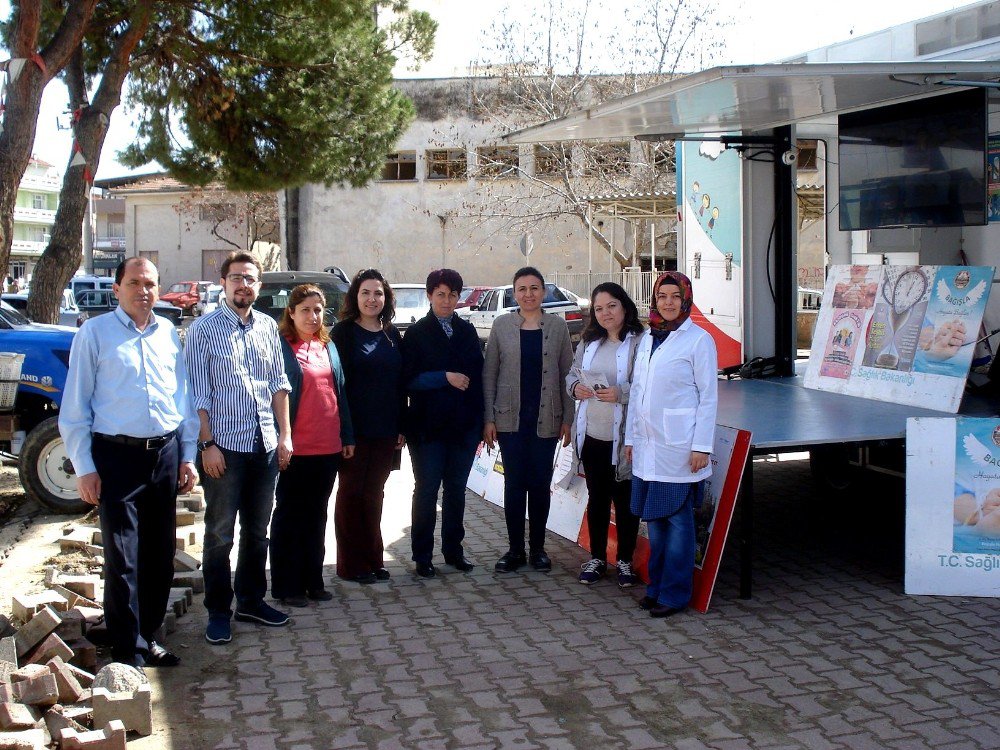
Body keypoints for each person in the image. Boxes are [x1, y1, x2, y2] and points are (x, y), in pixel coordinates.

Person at [59, 257, 198, 667]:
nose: (144, 291)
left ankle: (149, 636)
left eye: (151, 284)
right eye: (134, 283)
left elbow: (182, 400)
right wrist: (84, 466)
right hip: (116, 458)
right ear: (116, 289)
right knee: (123, 558)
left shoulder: (169, 333)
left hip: (165, 456)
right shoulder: (94, 334)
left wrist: (187, 456)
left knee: (158, 555)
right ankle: (127, 649)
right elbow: (75, 407)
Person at [185, 251, 293, 645]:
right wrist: (206, 443)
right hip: (224, 450)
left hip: (264, 445)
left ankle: (250, 600)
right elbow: (197, 393)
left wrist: (285, 436)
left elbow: (279, 385)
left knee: (257, 532)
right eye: (236, 278)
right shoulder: (203, 330)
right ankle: (217, 610)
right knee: (219, 534)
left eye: (250, 279)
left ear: (259, 286)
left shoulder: (267, 327)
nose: (243, 285)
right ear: (224, 283)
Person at [625, 271, 717, 618]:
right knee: (657, 522)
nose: (667, 302)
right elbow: (638, 393)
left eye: (674, 296)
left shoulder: (699, 340)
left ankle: (675, 595)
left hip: (681, 447)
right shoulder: (650, 337)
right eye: (662, 296)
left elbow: (708, 397)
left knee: (678, 522)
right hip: (649, 448)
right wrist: (632, 438)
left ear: (685, 299)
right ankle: (656, 588)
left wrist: (701, 446)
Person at [483, 266, 574, 573]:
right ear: (514, 293)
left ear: (544, 292)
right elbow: (489, 374)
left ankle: (537, 550)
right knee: (514, 485)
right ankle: (514, 550)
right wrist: (489, 418)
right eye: (522, 289)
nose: (528, 294)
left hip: (546, 419)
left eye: (534, 288)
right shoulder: (502, 325)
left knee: (538, 485)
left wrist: (568, 419)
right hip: (510, 421)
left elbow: (567, 375)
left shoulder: (557, 327)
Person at [270, 284, 355, 607]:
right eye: (305, 310)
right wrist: (280, 439)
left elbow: (340, 392)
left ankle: (313, 580)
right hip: (294, 449)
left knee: (317, 515)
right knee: (290, 516)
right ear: (291, 313)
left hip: (327, 447)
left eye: (317, 310)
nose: (312, 316)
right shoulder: (281, 347)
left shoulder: (327, 346)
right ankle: (287, 586)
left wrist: (346, 436)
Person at [402, 269, 484, 578]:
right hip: (427, 428)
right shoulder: (417, 333)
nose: (447, 300)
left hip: (463, 427)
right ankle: (422, 555)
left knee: (456, 491)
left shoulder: (466, 331)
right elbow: (408, 380)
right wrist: (444, 377)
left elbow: (479, 378)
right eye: (440, 294)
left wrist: (480, 422)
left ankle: (454, 550)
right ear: (429, 296)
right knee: (426, 490)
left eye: (452, 295)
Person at [331, 269, 405, 584]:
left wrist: (402, 424)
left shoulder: (391, 333)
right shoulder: (343, 333)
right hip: (353, 432)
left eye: (378, 293)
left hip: (386, 429)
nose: (372, 299)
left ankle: (374, 558)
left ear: (385, 298)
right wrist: (343, 431)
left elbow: (400, 383)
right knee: (351, 494)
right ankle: (351, 564)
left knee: (375, 494)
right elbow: (335, 386)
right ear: (355, 297)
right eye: (365, 293)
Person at [566, 282, 643, 588]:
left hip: (624, 440)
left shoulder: (641, 342)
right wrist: (576, 388)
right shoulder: (589, 343)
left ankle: (624, 561)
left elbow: (648, 385)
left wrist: (621, 393)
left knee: (625, 503)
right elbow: (572, 373)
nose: (606, 313)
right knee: (597, 499)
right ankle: (598, 557)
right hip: (593, 436)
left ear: (624, 306)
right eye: (599, 308)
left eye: (612, 305)